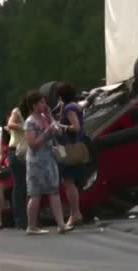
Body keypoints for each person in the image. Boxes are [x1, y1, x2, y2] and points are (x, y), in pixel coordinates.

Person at [23, 90, 70, 235]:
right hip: (36, 162)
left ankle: (61, 224)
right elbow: (33, 144)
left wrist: (51, 119)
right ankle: (31, 226)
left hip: (50, 159)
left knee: (53, 192)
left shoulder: (45, 117)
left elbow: (59, 133)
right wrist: (46, 132)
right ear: (33, 105)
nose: (44, 105)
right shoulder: (30, 122)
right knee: (36, 193)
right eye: (41, 102)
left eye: (44, 102)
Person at [56, 82, 85, 228]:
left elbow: (76, 127)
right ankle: (76, 212)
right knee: (69, 182)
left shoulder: (69, 108)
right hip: (75, 145)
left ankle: (75, 214)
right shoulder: (75, 105)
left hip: (70, 147)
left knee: (68, 182)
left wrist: (62, 126)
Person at [5, 97, 28, 229]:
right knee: (20, 185)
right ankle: (20, 219)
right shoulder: (17, 111)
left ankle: (28, 217)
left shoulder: (32, 115)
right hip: (16, 150)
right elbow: (10, 124)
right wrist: (24, 127)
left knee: (27, 186)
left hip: (27, 150)